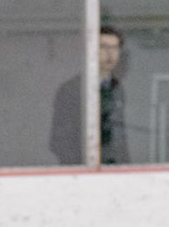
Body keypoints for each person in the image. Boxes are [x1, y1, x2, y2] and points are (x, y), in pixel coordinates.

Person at [49, 26, 128, 165]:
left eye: (115, 48)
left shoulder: (117, 88)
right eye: (103, 47)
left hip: (114, 170)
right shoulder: (72, 89)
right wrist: (81, 169)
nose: (110, 53)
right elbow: (60, 140)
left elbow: (119, 137)